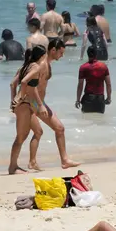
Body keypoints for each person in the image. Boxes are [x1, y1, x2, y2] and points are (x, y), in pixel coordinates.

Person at [27, 39, 78, 172]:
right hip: (33, 103)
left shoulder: (47, 64)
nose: (62, 56)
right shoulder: (43, 65)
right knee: (39, 132)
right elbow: (32, 87)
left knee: (57, 129)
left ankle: (64, 160)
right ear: (53, 50)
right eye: (61, 53)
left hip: (38, 103)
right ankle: (30, 162)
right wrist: (40, 105)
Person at [8, 46, 46, 174]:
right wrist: (20, 97)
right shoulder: (35, 67)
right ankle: (12, 167)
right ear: (42, 56)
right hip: (24, 105)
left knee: (38, 131)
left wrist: (13, 100)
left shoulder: (24, 67)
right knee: (21, 137)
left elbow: (13, 84)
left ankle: (32, 161)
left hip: (24, 105)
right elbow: (24, 82)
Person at [75, 46, 111, 114]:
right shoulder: (103, 66)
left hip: (88, 99)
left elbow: (80, 85)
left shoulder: (83, 67)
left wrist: (78, 100)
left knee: (86, 121)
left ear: (87, 54)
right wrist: (109, 98)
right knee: (100, 121)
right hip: (100, 99)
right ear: (96, 54)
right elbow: (108, 84)